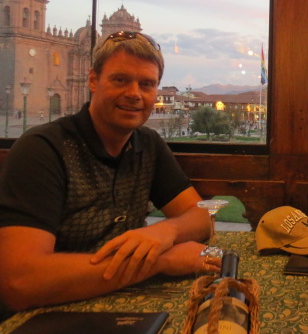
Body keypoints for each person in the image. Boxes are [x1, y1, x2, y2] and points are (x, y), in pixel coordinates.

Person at [0, 31, 212, 312]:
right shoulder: (43, 150)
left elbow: (201, 217)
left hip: (125, 304)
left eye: (146, 84)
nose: (134, 94)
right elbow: (20, 282)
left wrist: (165, 232)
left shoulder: (147, 144)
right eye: (120, 79)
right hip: (47, 314)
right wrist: (160, 261)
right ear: (93, 81)